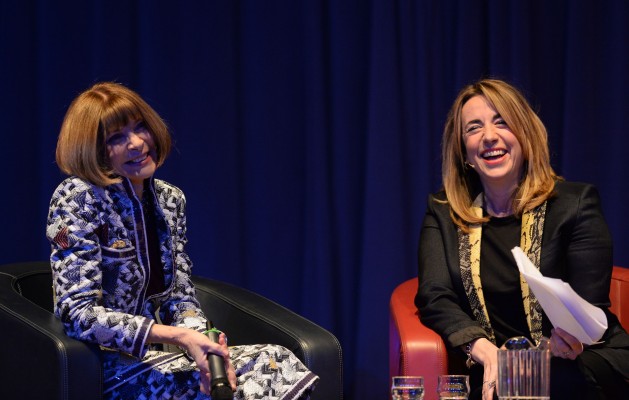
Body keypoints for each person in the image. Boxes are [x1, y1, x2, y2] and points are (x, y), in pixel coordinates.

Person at [46, 82, 318, 399]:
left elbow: (182, 300)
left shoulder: (169, 199)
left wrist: (207, 352)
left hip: (165, 358)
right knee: (263, 372)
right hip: (103, 369)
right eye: (116, 138)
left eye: (140, 128)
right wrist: (179, 337)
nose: (136, 143)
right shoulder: (77, 199)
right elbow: (77, 314)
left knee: (275, 362)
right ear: (93, 150)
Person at [415, 78, 629, 400]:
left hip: (582, 360)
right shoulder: (443, 212)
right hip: (496, 369)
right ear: (463, 153)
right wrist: (482, 348)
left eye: (502, 122)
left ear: (525, 135)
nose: (489, 136)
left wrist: (563, 340)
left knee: (536, 381)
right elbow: (434, 295)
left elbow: (588, 308)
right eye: (474, 128)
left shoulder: (576, 203)